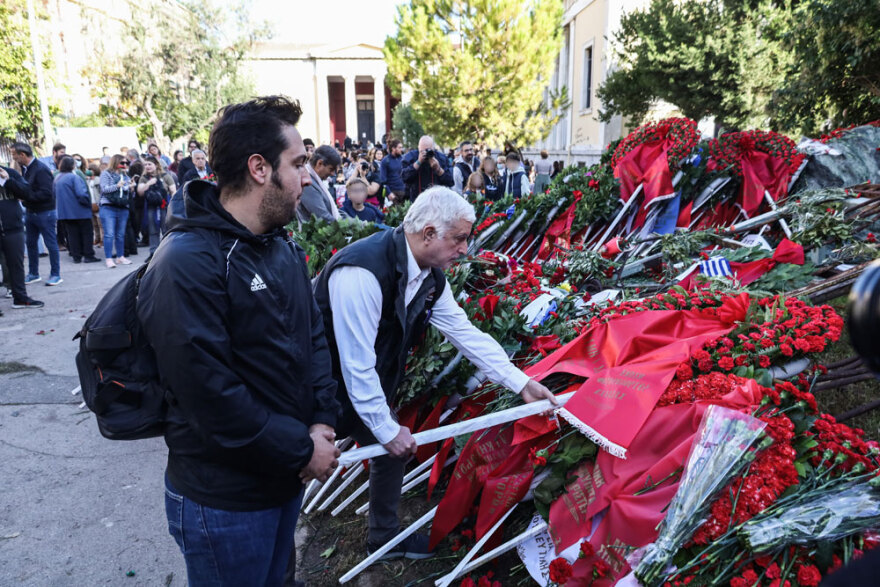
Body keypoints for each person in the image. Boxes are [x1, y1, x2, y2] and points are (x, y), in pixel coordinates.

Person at [137, 95, 341, 587]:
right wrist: (301, 449)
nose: (308, 178)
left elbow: (313, 337)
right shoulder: (187, 262)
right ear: (259, 168)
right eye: (298, 164)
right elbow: (211, 397)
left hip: (281, 481)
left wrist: (322, 422)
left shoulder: (281, 245)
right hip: (225, 502)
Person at [313, 187, 557, 559]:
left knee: (390, 454)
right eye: (458, 239)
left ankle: (383, 540)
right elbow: (355, 362)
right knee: (296, 470)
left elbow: (465, 334)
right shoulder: (362, 270)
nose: (464, 249)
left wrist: (521, 383)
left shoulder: (430, 279)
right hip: (315, 390)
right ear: (428, 233)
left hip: (360, 384)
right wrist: (386, 429)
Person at [11, 142, 62, 286]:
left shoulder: (40, 169)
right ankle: (33, 273)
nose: (13, 157)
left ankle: (55, 274)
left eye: (14, 154)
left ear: (22, 155)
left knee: (51, 244)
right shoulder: (26, 168)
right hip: (31, 211)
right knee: (31, 244)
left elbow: (47, 193)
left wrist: (26, 197)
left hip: (45, 212)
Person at [0, 164, 44, 309]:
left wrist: (8, 181)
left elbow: (27, 193)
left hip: (13, 228)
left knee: (16, 265)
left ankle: (20, 298)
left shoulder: (9, 173)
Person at [54, 156, 99, 264]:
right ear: (72, 165)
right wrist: (87, 203)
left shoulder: (57, 178)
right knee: (87, 233)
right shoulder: (74, 177)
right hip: (80, 211)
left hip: (65, 212)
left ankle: (76, 256)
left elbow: (53, 195)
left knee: (72, 235)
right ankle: (88, 255)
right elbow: (81, 194)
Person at [98, 155, 133, 268]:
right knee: (109, 234)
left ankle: (120, 256)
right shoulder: (106, 173)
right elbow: (104, 189)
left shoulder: (125, 175)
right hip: (108, 207)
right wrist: (117, 186)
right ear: (116, 162)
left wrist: (131, 187)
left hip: (122, 207)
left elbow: (126, 192)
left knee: (120, 234)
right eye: (122, 163)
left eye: (126, 163)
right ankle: (109, 258)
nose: (125, 165)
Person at [137, 156, 176, 253]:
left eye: (149, 164)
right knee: (153, 230)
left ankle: (168, 251)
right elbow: (140, 192)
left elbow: (173, 191)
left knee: (166, 229)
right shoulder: (144, 178)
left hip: (164, 206)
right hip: (151, 207)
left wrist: (172, 206)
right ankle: (153, 252)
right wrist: (148, 184)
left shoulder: (165, 176)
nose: (147, 166)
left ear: (156, 165)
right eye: (145, 164)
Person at [296, 145, 341, 223]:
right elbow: (322, 216)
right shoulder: (307, 183)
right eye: (331, 169)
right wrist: (344, 226)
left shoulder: (314, 179)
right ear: (319, 163)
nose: (333, 174)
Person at [401, 135, 453, 202]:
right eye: (422, 151)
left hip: (438, 201)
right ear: (418, 147)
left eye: (428, 151)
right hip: (417, 201)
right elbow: (404, 178)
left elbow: (451, 181)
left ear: (433, 149)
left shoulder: (441, 158)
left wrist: (438, 169)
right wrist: (418, 162)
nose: (425, 154)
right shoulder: (410, 157)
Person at [379, 139, 405, 203]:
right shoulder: (385, 161)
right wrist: (389, 193)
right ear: (393, 148)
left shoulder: (403, 159)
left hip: (404, 192)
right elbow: (383, 180)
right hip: (393, 193)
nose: (401, 149)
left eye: (401, 147)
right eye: (399, 148)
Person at [86, 164, 103, 246]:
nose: (89, 171)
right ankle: (97, 238)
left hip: (97, 203)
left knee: (101, 224)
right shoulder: (87, 180)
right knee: (94, 224)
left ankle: (102, 240)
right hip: (91, 204)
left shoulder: (98, 180)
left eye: (91, 169)